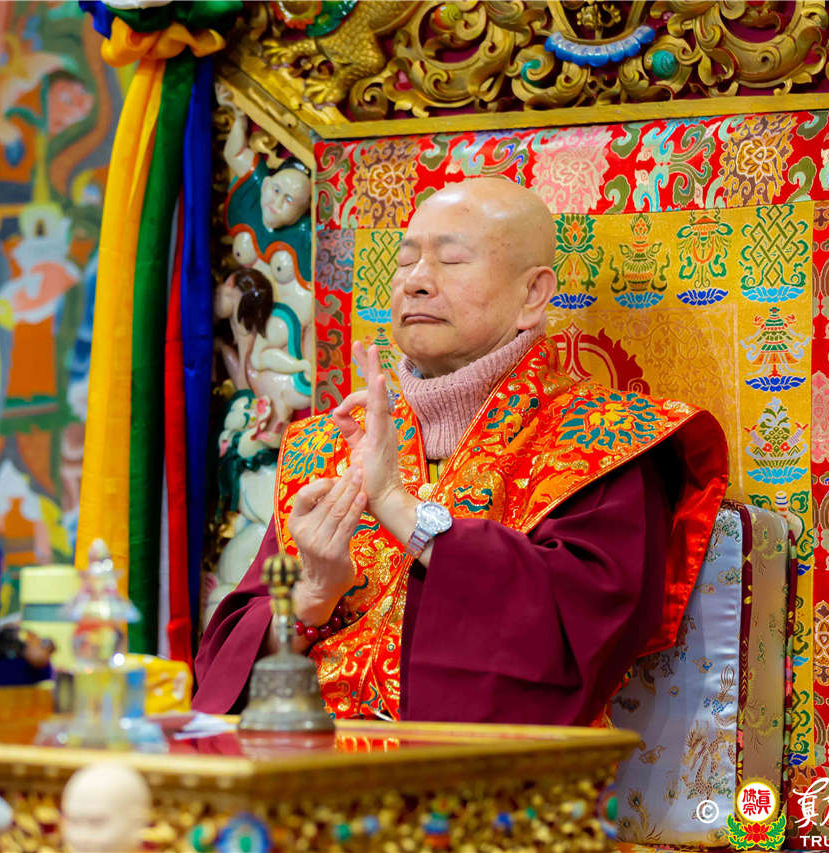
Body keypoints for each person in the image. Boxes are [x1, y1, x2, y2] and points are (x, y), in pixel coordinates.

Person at [193, 177, 728, 725]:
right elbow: (221, 674)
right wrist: (312, 595)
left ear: (532, 294)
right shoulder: (330, 445)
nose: (416, 282)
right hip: (302, 760)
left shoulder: (604, 439)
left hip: (478, 772)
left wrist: (399, 507)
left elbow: (582, 633)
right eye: (405, 262)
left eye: (451, 261)